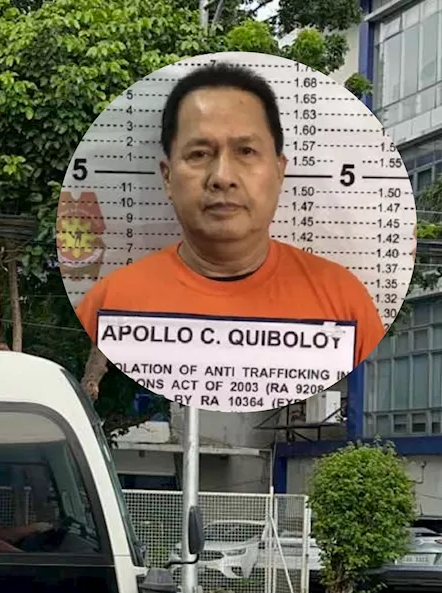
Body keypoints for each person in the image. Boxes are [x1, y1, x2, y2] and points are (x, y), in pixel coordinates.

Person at [73, 62, 386, 367]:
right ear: (167, 178)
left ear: (279, 170)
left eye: (246, 152)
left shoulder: (343, 302)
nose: (222, 176)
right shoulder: (112, 302)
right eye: (199, 154)